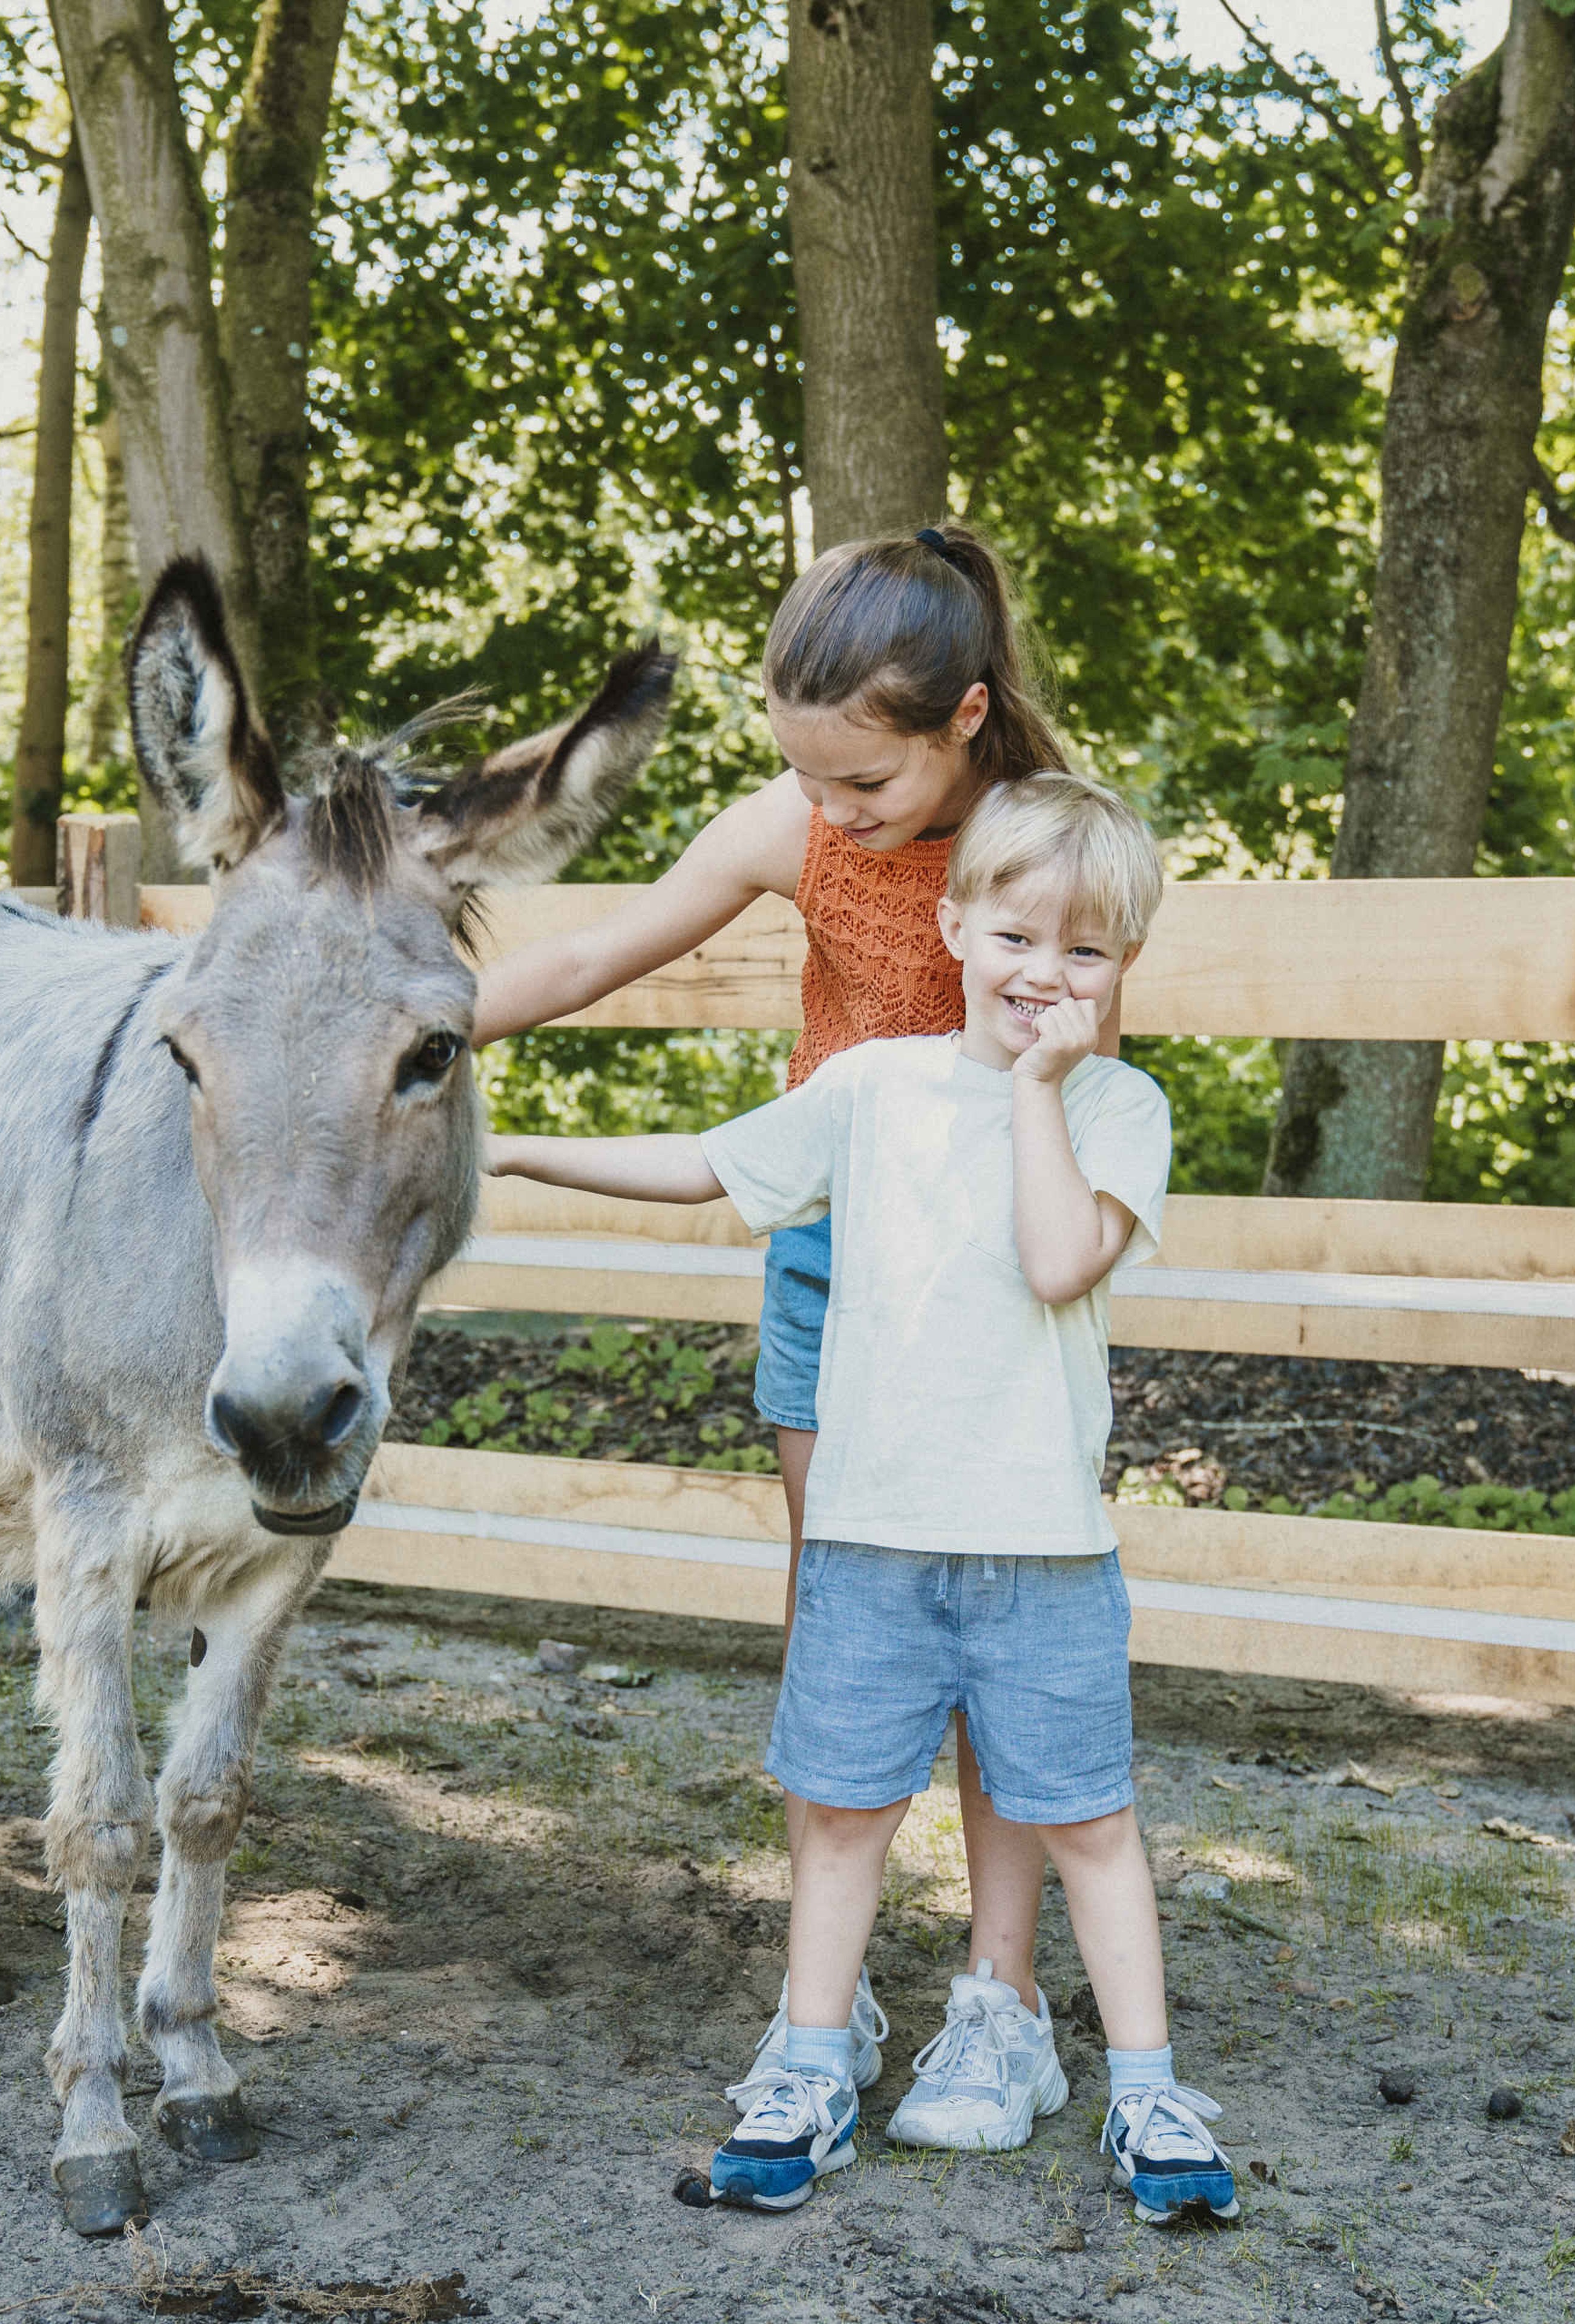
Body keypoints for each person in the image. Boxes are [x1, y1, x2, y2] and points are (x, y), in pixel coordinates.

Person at [485, 773, 1239, 2224]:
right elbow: (709, 1168)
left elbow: (1054, 1260)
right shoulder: (871, 1089)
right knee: (839, 1813)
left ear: (1123, 970)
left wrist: (1033, 1088)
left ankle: (1148, 2094)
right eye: (1018, 936)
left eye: (1087, 953)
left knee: (1089, 1819)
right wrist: (509, 1150)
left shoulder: (1121, 1110)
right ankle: (810, 2069)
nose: (1046, 974)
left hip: (1045, 1555)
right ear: (953, 924)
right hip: (870, 1541)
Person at [475, 523, 1104, 2146]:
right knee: (854, 1618)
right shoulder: (793, 823)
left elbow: (1071, 1098)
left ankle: (1003, 1999)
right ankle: (832, 1997)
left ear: (964, 718)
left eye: (865, 788)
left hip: (986, 1285)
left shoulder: (1042, 857)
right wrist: (393, 1015)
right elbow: (589, 952)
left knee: (992, 1634)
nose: (832, 816)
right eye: (806, 780)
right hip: (831, 1265)